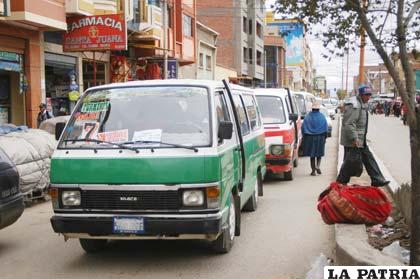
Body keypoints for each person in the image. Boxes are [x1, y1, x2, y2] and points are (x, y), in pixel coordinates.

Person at [337, 85, 390, 187]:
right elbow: (349, 124)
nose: (369, 97)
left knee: (369, 159)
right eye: (366, 95)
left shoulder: (362, 104)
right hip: (354, 140)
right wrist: (354, 138)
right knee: (349, 162)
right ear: (361, 95)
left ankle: (377, 179)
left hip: (361, 139)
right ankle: (340, 182)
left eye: (370, 94)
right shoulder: (355, 105)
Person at [301, 102, 328, 176]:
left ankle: (313, 171)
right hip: (320, 137)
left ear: (312, 108)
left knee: (312, 155)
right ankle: (318, 166)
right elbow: (326, 129)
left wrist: (304, 137)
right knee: (319, 154)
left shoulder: (307, 117)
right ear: (318, 109)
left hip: (310, 138)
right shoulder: (322, 116)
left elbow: (303, 128)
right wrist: (325, 138)